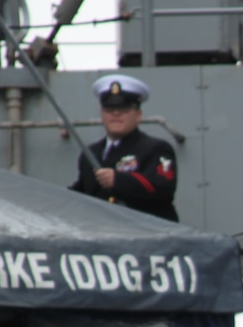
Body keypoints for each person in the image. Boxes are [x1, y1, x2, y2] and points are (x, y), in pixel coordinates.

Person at [68, 75, 178, 221]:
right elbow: (83, 193)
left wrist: (118, 180)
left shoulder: (156, 149)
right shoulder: (91, 153)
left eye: (124, 108)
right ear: (102, 114)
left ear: (138, 115)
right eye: (109, 108)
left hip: (147, 234)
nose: (116, 113)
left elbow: (162, 187)